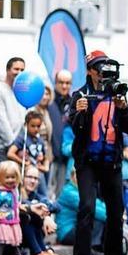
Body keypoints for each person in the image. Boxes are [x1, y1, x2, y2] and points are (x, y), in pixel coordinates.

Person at [69, 50, 128, 255]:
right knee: (86, 206)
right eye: (98, 67)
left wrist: (123, 108)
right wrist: (81, 113)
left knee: (116, 209)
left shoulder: (116, 93)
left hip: (112, 161)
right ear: (89, 70)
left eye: (106, 66)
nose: (102, 71)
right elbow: (75, 129)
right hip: (87, 161)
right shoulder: (80, 94)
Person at [20, 165, 67, 255]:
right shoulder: (17, 194)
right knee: (28, 216)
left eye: (36, 178)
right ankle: (38, 253)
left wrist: (46, 214)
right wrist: (45, 216)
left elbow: (57, 206)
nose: (33, 181)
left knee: (37, 215)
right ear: (22, 177)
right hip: (15, 235)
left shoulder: (36, 196)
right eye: (29, 177)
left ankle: (43, 251)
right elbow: (24, 204)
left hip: (30, 233)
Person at [56, 165, 106, 253]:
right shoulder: (69, 192)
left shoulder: (82, 190)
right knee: (97, 219)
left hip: (75, 229)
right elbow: (92, 209)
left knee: (101, 218)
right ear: (72, 176)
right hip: (66, 233)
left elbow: (98, 203)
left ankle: (100, 246)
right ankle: (91, 248)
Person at [0, 57, 26, 165]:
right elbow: (1, 122)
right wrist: (14, 146)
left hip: (17, 148)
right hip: (1, 148)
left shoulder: (21, 92)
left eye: (22, 70)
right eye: (16, 69)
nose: (19, 72)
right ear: (8, 70)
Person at [7, 111, 50, 194]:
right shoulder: (22, 138)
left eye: (38, 126)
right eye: (33, 126)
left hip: (38, 171)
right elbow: (10, 153)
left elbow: (45, 158)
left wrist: (45, 167)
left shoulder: (40, 141)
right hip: (27, 173)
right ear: (26, 125)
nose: (36, 129)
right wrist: (24, 162)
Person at [48, 70, 72, 198]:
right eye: (61, 82)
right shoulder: (49, 101)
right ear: (55, 83)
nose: (64, 86)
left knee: (61, 194)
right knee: (48, 192)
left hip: (66, 158)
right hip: (51, 156)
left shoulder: (73, 103)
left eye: (67, 83)